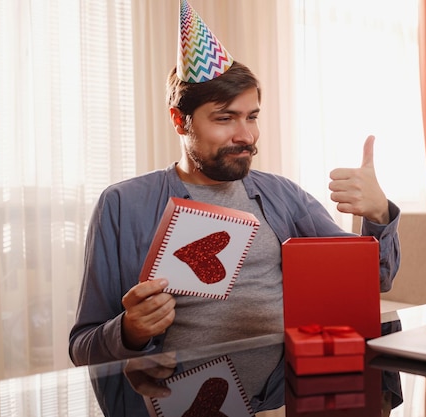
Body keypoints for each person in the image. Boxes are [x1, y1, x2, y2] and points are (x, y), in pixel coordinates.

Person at [68, 2, 400, 367]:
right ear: (180, 121)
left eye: (252, 117)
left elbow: (373, 281)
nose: (246, 136)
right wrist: (130, 330)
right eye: (225, 118)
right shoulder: (122, 204)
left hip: (279, 393)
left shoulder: (284, 196)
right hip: (176, 397)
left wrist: (379, 213)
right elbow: (82, 347)